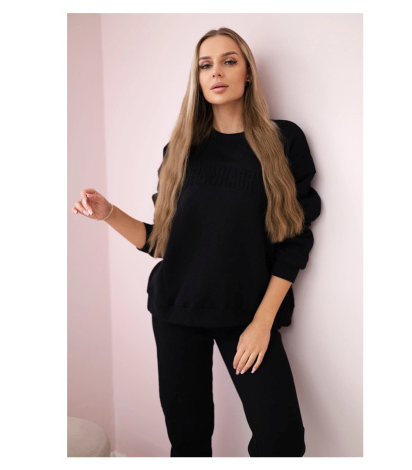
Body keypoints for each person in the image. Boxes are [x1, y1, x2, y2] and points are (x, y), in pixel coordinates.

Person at [71, 27, 321, 457]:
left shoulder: (283, 140)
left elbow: (295, 240)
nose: (216, 72)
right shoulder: (182, 149)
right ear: (198, 78)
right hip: (177, 311)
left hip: (246, 312)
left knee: (281, 440)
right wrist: (109, 213)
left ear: (247, 73)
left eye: (229, 61)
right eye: (206, 65)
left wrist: (262, 323)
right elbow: (163, 243)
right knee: (188, 443)